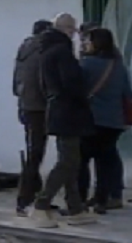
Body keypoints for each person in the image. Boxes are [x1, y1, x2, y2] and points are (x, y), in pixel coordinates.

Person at [30, 13, 97, 228]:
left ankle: (75, 208)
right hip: (68, 111)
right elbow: (72, 82)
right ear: (67, 29)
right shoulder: (62, 50)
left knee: (72, 160)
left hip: (57, 109)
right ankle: (41, 205)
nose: (76, 35)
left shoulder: (46, 50)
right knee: (68, 161)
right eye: (74, 30)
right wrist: (84, 93)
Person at [79, 28, 132, 213]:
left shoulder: (85, 65)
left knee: (82, 160)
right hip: (113, 122)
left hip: (90, 119)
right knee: (106, 162)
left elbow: (76, 90)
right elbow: (128, 93)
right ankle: (102, 200)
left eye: (88, 40)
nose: (85, 44)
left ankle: (80, 199)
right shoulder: (118, 65)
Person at [13, 19, 54, 216]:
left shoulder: (23, 50)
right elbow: (46, 80)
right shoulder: (43, 50)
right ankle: (26, 198)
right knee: (36, 155)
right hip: (41, 106)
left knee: (34, 153)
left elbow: (15, 84)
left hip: (26, 106)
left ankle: (32, 196)